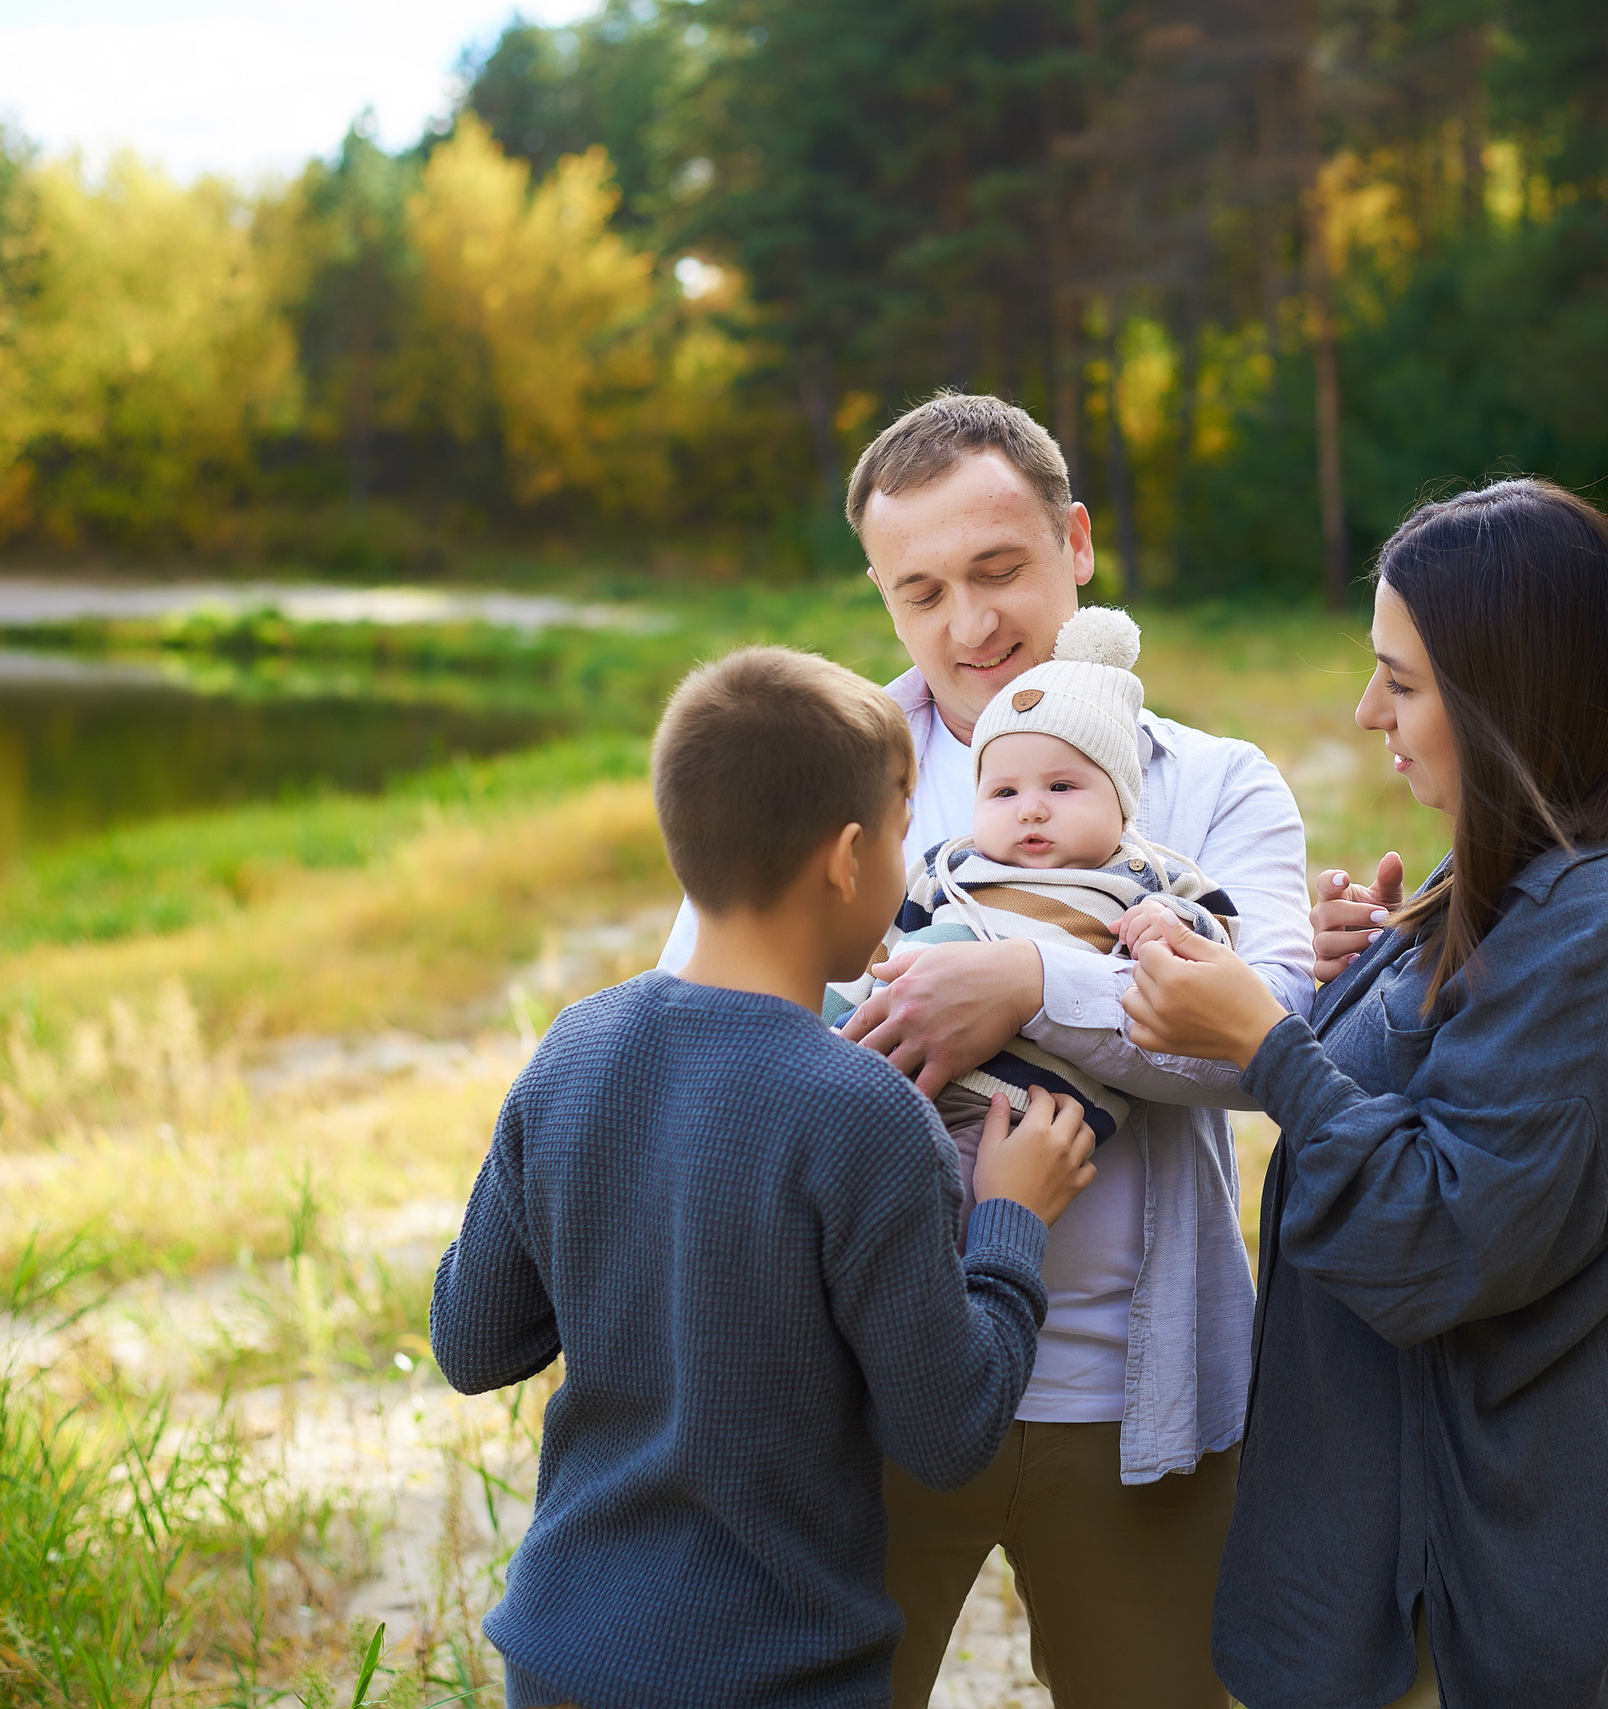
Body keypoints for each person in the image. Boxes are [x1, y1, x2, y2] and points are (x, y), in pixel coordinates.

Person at [655, 393, 1314, 1709]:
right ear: (883, 598)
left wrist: (1023, 982)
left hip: (1136, 1414)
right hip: (860, 1401)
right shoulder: (803, 765)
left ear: (1076, 541)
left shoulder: (1216, 783)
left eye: (1001, 569)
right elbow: (706, 1048)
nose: (970, 625)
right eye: (923, 590)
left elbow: (1274, 1046)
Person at [1121, 478, 1608, 1708]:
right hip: (1411, 1546)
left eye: (1400, 683)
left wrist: (1267, 1047)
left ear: (1507, 695)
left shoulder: (1604, 922)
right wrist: (1363, 976)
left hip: (1475, 1589)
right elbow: (1458, 1104)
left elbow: (1438, 1235)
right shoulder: (1541, 856)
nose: (1366, 712)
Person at [432, 646, 1100, 1709]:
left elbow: (472, 1342)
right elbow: (948, 1431)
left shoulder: (574, 1046)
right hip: (770, 1673)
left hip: (559, 1649)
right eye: (898, 830)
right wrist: (1012, 1220)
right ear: (847, 857)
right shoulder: (869, 1113)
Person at [823, 604, 1240, 1230]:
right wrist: (827, 1025)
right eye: (1005, 792)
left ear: (1124, 806)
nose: (1032, 811)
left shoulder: (1144, 878)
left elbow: (1221, 950)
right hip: (890, 1076)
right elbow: (879, 956)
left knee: (930, 1225)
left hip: (1012, 1119)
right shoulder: (951, 867)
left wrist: (1174, 927)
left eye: (1063, 788)